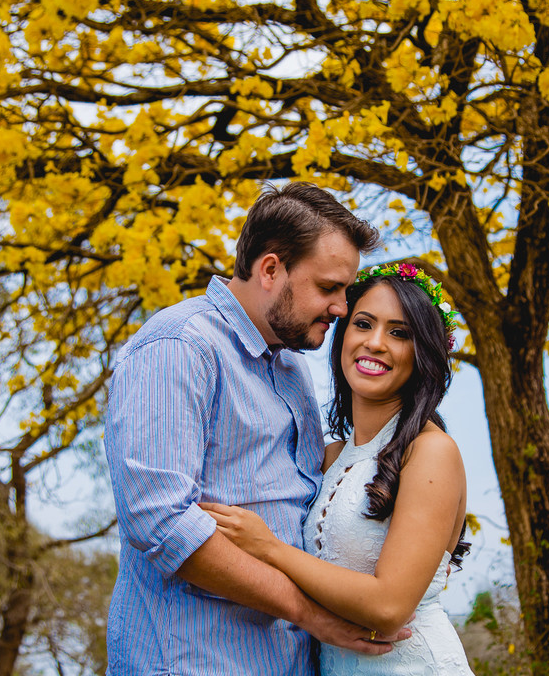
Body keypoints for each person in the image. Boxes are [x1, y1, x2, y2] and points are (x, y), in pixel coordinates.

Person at [104, 182, 391, 676]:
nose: (342, 308)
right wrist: (308, 614)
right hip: (193, 661)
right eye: (328, 288)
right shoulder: (180, 347)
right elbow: (160, 523)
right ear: (271, 269)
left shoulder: (289, 366)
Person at [201, 262, 475, 675]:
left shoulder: (431, 452)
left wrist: (270, 549)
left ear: (425, 354)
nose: (376, 343)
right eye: (363, 324)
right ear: (343, 334)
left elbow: (388, 607)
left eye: (400, 333)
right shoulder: (328, 457)